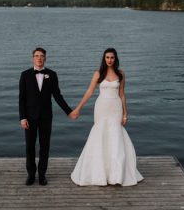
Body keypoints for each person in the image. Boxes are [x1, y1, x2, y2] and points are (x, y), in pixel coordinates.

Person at [70, 48, 143, 186]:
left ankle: (116, 174)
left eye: (112, 57)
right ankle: (99, 172)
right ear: (104, 59)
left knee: (115, 137)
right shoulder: (98, 74)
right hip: (101, 107)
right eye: (107, 57)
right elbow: (89, 92)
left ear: (116, 59)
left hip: (115, 108)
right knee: (100, 135)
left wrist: (125, 113)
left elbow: (122, 94)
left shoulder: (121, 74)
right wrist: (78, 108)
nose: (109, 60)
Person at [19, 47, 75, 186]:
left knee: (45, 146)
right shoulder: (24, 75)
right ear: (33, 58)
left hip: (46, 117)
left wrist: (69, 111)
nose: (39, 58)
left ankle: (42, 175)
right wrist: (23, 117)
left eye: (42, 56)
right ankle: (31, 175)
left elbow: (57, 96)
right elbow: (22, 98)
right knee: (29, 147)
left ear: (45, 58)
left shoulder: (52, 74)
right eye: (36, 56)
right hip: (29, 118)